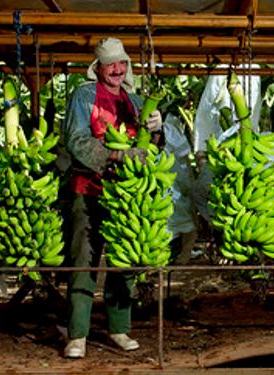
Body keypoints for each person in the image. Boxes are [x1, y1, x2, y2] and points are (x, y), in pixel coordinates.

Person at [61, 37, 163, 358]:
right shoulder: (84, 95)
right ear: (99, 67)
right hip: (88, 189)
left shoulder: (136, 101)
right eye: (111, 64)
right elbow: (76, 140)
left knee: (124, 260)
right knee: (84, 259)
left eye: (122, 64)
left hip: (126, 193)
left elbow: (151, 147)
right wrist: (116, 156)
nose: (117, 70)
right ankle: (77, 335)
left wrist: (158, 128)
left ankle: (119, 329)